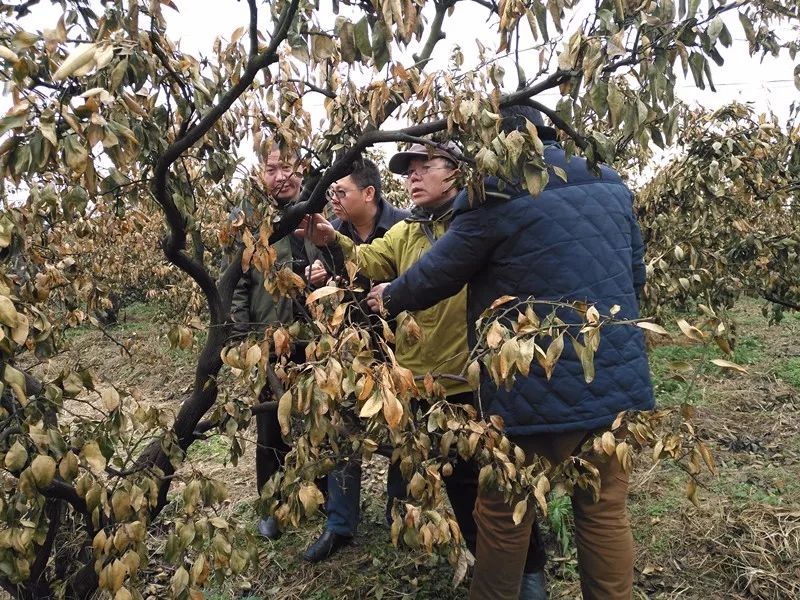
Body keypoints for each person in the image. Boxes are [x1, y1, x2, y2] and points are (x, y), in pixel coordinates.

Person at [366, 105, 654, 600]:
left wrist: (389, 297)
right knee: (604, 512)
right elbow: (634, 278)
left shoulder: (495, 191)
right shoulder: (610, 180)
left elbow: (439, 271)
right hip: (612, 379)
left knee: (501, 517)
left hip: (529, 390)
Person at [297, 142, 547, 598]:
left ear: (457, 171)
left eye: (424, 167)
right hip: (421, 382)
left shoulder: (477, 222)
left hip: (470, 382)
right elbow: (372, 259)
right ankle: (489, 567)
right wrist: (333, 239)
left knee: (494, 484)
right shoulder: (409, 230)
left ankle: (525, 577)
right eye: (408, 170)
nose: (412, 177)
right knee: (458, 485)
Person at [302, 158, 411, 562]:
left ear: (369, 193)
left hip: (400, 353)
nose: (335, 201)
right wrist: (318, 278)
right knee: (342, 431)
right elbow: (323, 294)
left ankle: (399, 516)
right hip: (347, 352)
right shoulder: (331, 234)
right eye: (331, 194)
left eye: (341, 192)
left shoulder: (406, 228)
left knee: (402, 432)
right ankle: (340, 524)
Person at [231, 146, 318, 540]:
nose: (280, 175)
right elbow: (235, 283)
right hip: (270, 338)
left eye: (288, 166)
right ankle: (271, 504)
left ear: (302, 169)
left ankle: (321, 496)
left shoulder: (321, 208)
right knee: (271, 426)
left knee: (321, 418)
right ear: (260, 175)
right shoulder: (251, 222)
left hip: (318, 340)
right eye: (271, 169)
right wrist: (244, 333)